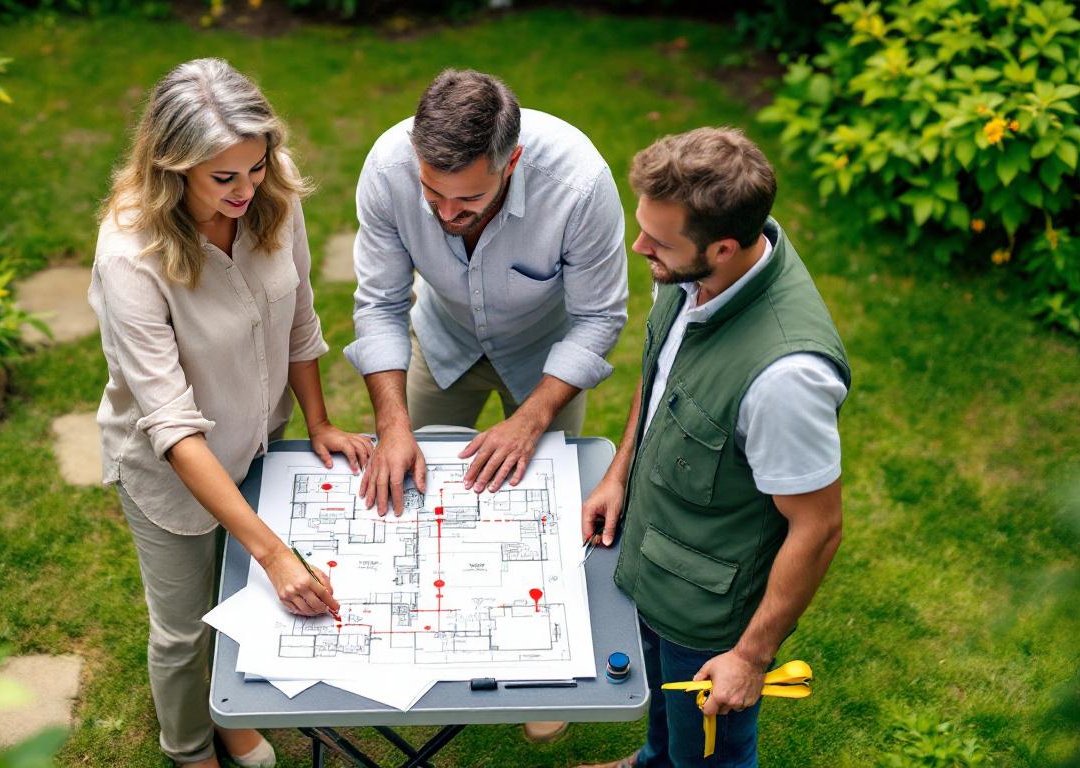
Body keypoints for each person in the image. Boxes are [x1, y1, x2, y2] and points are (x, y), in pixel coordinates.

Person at [89, 58, 373, 768]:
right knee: (185, 628)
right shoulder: (130, 256)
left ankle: (232, 714)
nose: (248, 188)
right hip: (169, 471)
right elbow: (173, 427)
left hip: (261, 436)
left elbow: (300, 317)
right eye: (225, 178)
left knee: (245, 593)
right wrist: (275, 551)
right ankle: (190, 748)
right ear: (172, 167)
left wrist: (318, 421)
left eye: (257, 164)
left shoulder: (273, 197)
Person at [576, 128, 849, 768]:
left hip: (708, 610)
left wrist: (750, 658)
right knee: (663, 716)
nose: (638, 247)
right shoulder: (690, 266)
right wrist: (620, 471)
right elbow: (664, 370)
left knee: (712, 755)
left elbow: (818, 527)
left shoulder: (787, 379)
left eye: (656, 241)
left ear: (723, 248)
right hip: (649, 555)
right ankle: (652, 760)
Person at [346, 68, 629, 517]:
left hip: (545, 359)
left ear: (511, 162)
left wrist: (530, 421)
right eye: (432, 194)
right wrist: (392, 424)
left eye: (468, 199)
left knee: (541, 511)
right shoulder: (387, 169)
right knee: (409, 488)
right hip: (443, 342)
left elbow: (599, 318)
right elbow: (381, 303)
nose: (447, 213)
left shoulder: (580, 186)